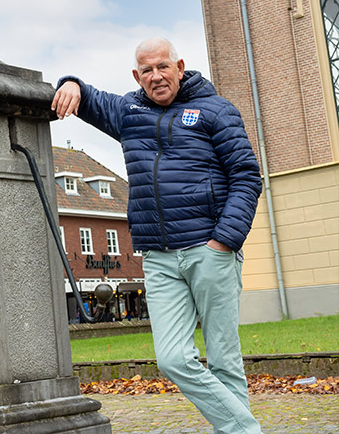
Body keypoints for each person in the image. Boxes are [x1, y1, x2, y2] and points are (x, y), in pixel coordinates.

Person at [52, 37, 264, 434]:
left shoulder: (215, 111)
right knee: (171, 360)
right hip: (159, 256)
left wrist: (224, 241)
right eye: (146, 70)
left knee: (223, 357)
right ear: (137, 75)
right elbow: (91, 98)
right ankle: (246, 429)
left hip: (210, 249)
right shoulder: (129, 112)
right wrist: (71, 83)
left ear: (180, 67)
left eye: (163, 67)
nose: (156, 76)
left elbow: (247, 177)